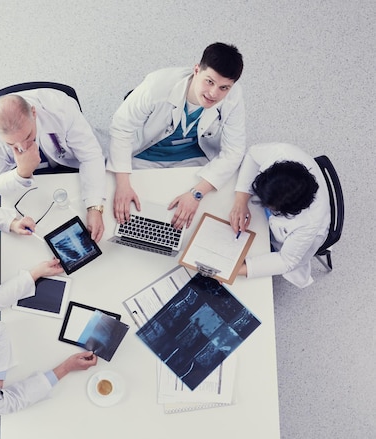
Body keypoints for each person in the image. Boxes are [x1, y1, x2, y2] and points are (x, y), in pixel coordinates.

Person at [108, 42, 245, 229]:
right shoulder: (157, 86)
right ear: (196, 70)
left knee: (198, 221)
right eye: (209, 81)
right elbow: (121, 128)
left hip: (192, 161)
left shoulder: (233, 96)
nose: (214, 93)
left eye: (224, 88)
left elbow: (234, 151)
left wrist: (196, 193)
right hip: (144, 157)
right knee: (128, 215)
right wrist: (123, 185)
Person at [0, 89, 107, 241]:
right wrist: (22, 172)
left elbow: (90, 156)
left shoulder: (61, 107)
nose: (23, 147)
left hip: (65, 162)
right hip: (16, 170)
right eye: (11, 143)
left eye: (28, 136)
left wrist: (94, 207)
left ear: (34, 113)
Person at [229, 143, 331, 288]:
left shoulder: (309, 222)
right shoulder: (282, 152)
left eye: (270, 207)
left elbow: (286, 261)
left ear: (287, 211)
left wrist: (239, 270)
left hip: (296, 243)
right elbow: (252, 155)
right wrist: (241, 201)